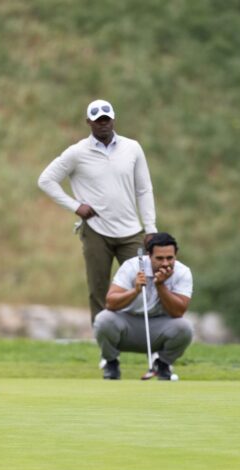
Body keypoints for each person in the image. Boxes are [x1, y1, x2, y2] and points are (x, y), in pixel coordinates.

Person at [38, 99, 157, 323]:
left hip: (131, 231)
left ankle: (145, 335)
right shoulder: (77, 152)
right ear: (89, 123)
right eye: (98, 121)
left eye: (106, 119)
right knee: (98, 289)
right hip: (96, 231)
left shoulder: (132, 148)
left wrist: (150, 227)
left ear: (113, 119)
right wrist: (75, 206)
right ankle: (104, 342)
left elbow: (144, 189)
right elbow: (46, 180)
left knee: (145, 283)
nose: (103, 124)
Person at [93, 232, 193, 381]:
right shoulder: (132, 266)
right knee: (104, 319)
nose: (165, 263)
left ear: (175, 255)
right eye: (159, 258)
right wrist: (135, 291)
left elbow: (178, 312)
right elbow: (111, 303)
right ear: (149, 255)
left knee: (184, 328)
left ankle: (162, 364)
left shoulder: (183, 272)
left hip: (159, 328)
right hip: (126, 326)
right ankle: (111, 363)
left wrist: (160, 286)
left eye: (169, 258)